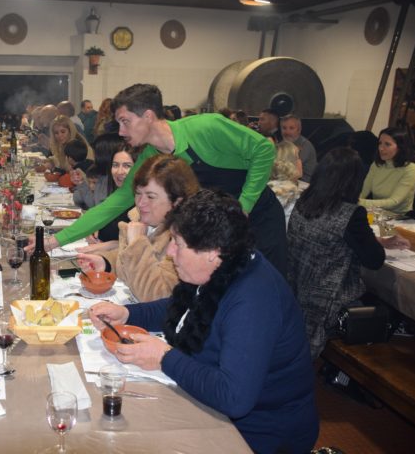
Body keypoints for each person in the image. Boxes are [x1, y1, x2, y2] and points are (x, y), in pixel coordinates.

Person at [88, 189, 319, 453]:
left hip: (259, 434)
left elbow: (234, 398)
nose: (170, 252)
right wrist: (128, 314)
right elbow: (182, 308)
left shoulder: (254, 300)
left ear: (212, 251)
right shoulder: (223, 266)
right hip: (213, 410)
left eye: (178, 243)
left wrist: (164, 358)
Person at [44, 83, 287, 276]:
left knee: (266, 289)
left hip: (259, 220)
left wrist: (245, 205)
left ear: (148, 116)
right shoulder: (151, 156)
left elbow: (263, 150)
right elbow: (116, 202)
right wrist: (55, 241)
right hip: (219, 229)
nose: (121, 131)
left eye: (125, 121)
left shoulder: (206, 126)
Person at [287, 147, 410, 358]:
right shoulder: (350, 214)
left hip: (296, 295)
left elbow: (329, 238)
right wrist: (374, 243)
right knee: (396, 312)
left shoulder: (304, 202)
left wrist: (378, 240)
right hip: (329, 305)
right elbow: (374, 260)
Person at [77, 155, 199, 301]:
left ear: (177, 202)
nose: (140, 203)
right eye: (138, 194)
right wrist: (106, 262)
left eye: (151, 197)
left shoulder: (183, 238)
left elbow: (158, 296)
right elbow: (128, 264)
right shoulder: (140, 219)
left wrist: (137, 243)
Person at [358, 127, 415, 215]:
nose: (381, 148)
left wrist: (359, 202)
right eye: (380, 143)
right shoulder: (376, 165)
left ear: (400, 148)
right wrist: (352, 201)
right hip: (377, 213)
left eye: (387, 144)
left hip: (399, 217)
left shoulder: (410, 168)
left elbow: (394, 202)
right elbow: (363, 191)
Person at [71, 134, 125, 210]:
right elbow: (92, 203)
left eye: (95, 154)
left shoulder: (118, 179)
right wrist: (81, 184)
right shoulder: (103, 176)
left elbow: (101, 208)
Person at [269, 140, 305, 227]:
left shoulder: (267, 187)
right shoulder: (291, 195)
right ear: (289, 163)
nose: (300, 161)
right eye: (297, 157)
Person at [280, 115, 317, 182]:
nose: (287, 132)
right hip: (287, 179)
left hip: (304, 182)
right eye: (284, 128)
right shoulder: (283, 144)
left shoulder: (305, 145)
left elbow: (291, 167)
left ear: (299, 130)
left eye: (291, 128)